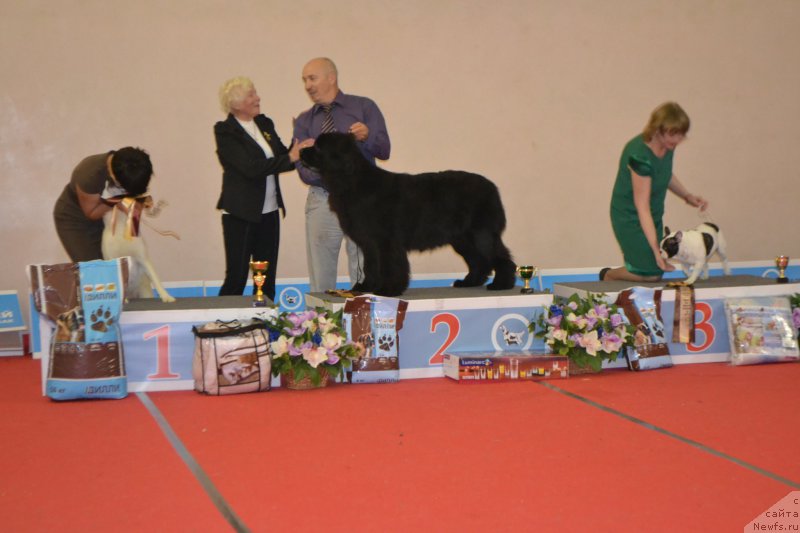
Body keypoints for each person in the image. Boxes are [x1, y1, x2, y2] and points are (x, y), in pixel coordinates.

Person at [293, 57, 391, 293]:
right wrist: (335, 179)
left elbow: (384, 150)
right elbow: (303, 167)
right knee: (320, 271)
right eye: (304, 80)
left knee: (364, 267)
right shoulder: (305, 120)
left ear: (331, 78)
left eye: (312, 78)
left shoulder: (364, 107)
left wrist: (367, 137)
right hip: (321, 199)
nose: (307, 85)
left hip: (361, 200)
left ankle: (363, 324)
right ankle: (319, 323)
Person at [214, 76, 311, 300]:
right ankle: (224, 326)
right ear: (236, 103)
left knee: (266, 277)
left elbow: (281, 157)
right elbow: (250, 168)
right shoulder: (225, 131)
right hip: (240, 214)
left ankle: (264, 325)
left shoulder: (264, 123)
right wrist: (290, 157)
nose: (258, 98)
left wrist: (299, 144)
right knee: (236, 277)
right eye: (251, 95)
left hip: (269, 212)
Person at [603, 102, 708, 282]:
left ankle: (618, 275)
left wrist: (687, 196)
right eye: (673, 134)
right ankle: (607, 276)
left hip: (653, 213)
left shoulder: (668, 147)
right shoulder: (639, 156)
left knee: (655, 272)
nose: (677, 140)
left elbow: (664, 173)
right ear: (657, 129)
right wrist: (655, 250)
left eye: (681, 135)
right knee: (649, 274)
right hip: (630, 215)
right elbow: (641, 207)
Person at [54, 147, 153, 262]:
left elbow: (133, 203)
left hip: (104, 218)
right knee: (94, 269)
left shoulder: (132, 168)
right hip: (74, 218)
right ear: (116, 179)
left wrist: (135, 211)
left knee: (118, 266)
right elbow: (91, 213)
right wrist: (118, 200)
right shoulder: (89, 174)